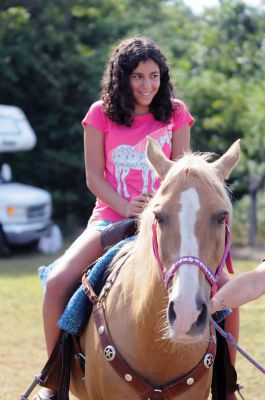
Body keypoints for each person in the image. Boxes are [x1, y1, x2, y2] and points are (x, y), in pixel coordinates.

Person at [35, 36, 194, 400]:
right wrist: (125, 207)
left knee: (224, 292)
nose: (147, 85)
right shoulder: (99, 114)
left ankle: (226, 385)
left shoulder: (176, 112)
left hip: (164, 223)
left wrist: (159, 207)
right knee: (58, 281)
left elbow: (182, 174)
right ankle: (54, 381)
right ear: (122, 78)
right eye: (138, 76)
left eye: (154, 76)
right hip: (110, 219)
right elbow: (94, 177)